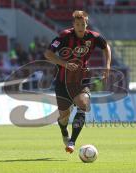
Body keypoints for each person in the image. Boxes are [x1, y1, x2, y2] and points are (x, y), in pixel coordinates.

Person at [44, 10, 111, 154]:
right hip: (62, 81)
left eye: (83, 24)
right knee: (64, 116)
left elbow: (106, 47)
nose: (80, 26)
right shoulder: (64, 36)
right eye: (78, 24)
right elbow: (48, 54)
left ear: (87, 24)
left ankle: (72, 142)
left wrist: (107, 66)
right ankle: (63, 130)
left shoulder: (94, 37)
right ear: (73, 24)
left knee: (83, 104)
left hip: (82, 79)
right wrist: (65, 64)